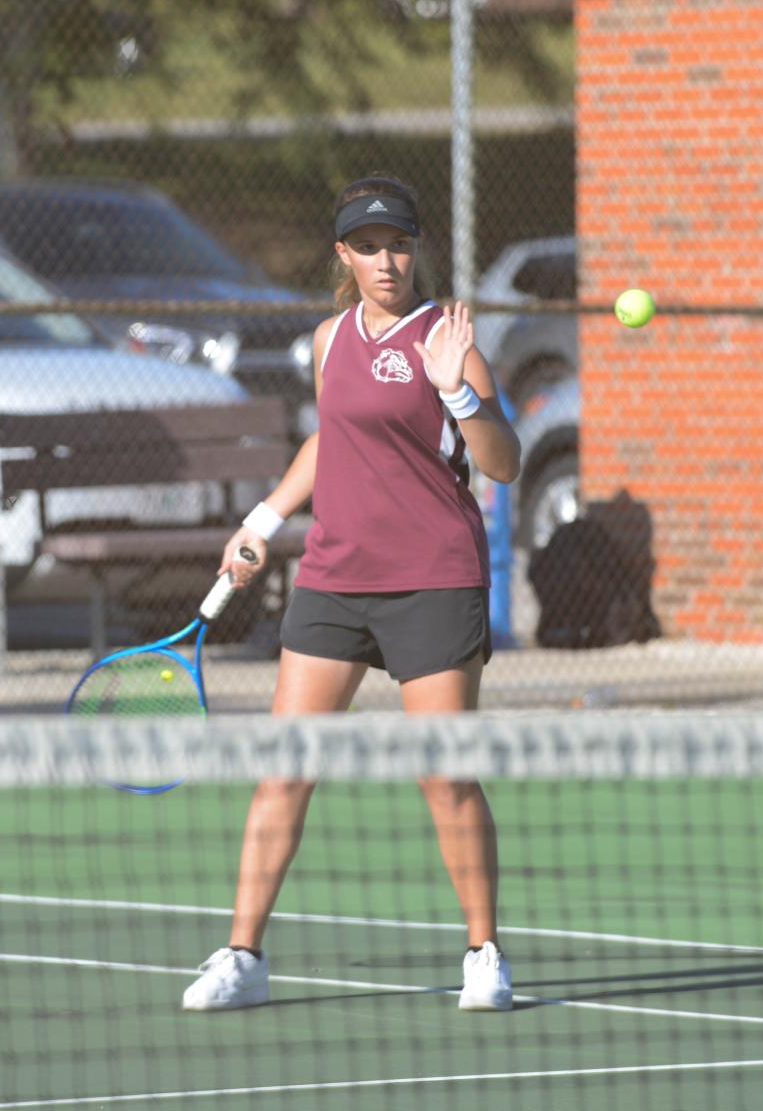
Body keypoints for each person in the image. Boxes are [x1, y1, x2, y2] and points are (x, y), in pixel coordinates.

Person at [181, 174, 522, 1014]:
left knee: (443, 777)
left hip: (433, 579)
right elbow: (326, 443)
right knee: (284, 771)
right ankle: (242, 956)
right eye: (367, 246)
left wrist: (458, 391)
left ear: (416, 249)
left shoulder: (448, 337)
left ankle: (482, 953)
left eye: (398, 244)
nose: (385, 260)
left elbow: (503, 462)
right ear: (343, 254)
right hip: (334, 579)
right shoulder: (329, 338)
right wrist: (262, 518)